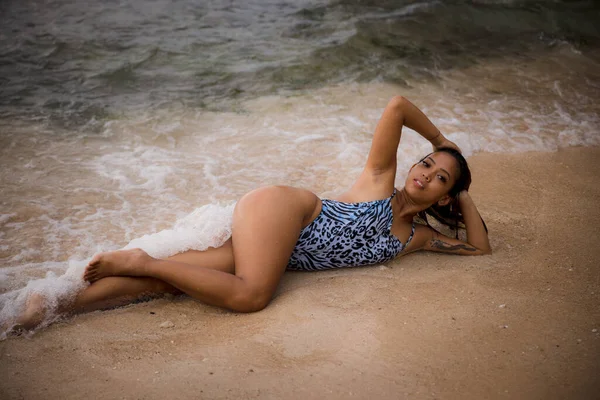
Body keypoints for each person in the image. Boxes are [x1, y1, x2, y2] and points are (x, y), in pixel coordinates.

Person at [14, 96, 491, 330]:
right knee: (251, 296)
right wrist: (442, 143)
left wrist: (464, 191)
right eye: (426, 165)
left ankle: (49, 304)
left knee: (172, 282)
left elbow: (479, 248)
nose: (427, 174)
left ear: (446, 197)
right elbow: (397, 106)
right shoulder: (380, 181)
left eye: (440, 178)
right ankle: (142, 260)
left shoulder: (415, 238)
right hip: (286, 212)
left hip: (272, 248)